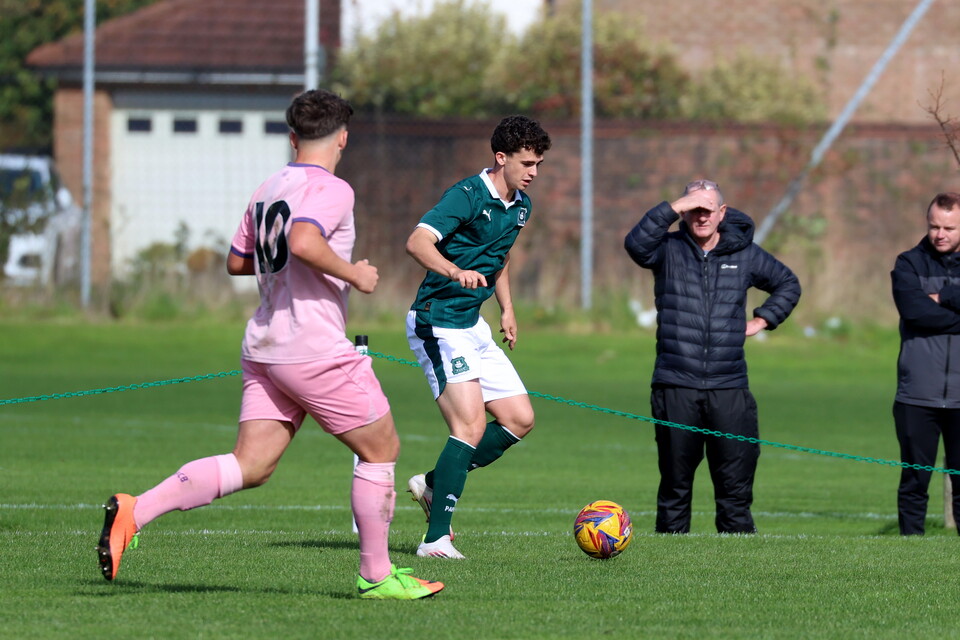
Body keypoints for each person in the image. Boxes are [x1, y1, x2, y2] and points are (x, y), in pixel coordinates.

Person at [95, 89, 443, 599]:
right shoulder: (334, 189)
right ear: (343, 137)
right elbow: (303, 241)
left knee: (251, 464)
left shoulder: (269, 187)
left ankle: (135, 510)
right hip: (313, 346)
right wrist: (354, 273)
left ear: (292, 136)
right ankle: (376, 575)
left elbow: (237, 261)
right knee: (381, 447)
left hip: (265, 346)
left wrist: (279, 261)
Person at [403, 115, 551, 559]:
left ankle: (432, 484)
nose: (533, 172)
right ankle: (435, 540)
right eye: (526, 162)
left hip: (473, 325)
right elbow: (416, 242)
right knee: (468, 426)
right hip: (438, 321)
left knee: (519, 420)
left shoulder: (521, 205)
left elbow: (497, 257)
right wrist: (453, 270)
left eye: (539, 163)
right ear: (500, 158)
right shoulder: (466, 196)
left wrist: (506, 308)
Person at [624, 179, 801, 534]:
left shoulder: (745, 253)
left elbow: (788, 283)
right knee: (675, 489)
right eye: (694, 209)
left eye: (708, 210)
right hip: (676, 384)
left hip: (729, 387)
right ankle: (671, 569)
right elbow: (636, 244)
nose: (701, 217)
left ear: (723, 213)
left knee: (735, 493)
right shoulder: (667, 249)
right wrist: (676, 205)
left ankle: (737, 570)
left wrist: (763, 320)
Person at [891, 191, 960, 536]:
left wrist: (944, 297)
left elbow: (931, 310)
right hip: (917, 394)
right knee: (915, 480)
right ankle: (910, 552)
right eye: (934, 226)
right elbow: (914, 311)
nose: (940, 234)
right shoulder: (909, 264)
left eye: (949, 227)